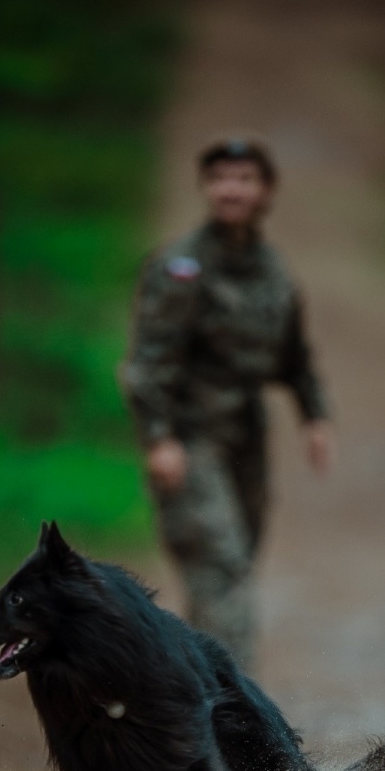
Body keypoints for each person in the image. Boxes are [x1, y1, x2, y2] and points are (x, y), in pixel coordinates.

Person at [120, 136, 335, 672]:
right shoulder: (181, 267)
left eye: (242, 179)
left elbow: (292, 351)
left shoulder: (271, 267)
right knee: (221, 568)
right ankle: (238, 716)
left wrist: (314, 415)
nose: (229, 190)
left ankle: (194, 701)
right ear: (206, 188)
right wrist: (159, 437)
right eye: (218, 178)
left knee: (231, 571)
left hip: (245, 436)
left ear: (265, 191)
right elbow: (148, 360)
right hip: (190, 439)